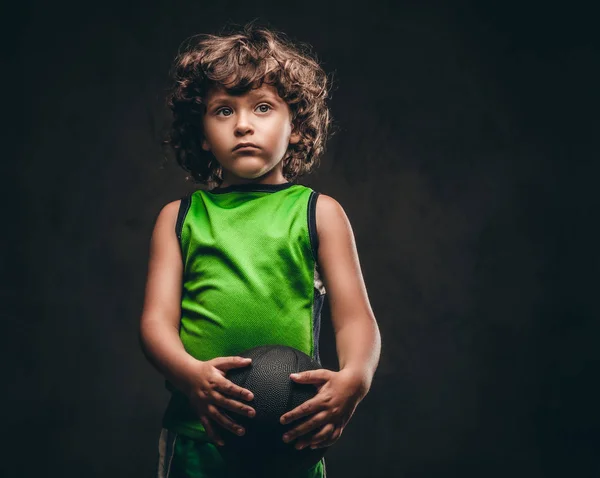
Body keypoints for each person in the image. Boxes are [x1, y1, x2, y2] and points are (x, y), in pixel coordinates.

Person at [139, 21, 381, 478]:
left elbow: (355, 320)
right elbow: (154, 323)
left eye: (263, 107)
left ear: (296, 126)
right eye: (224, 111)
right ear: (203, 132)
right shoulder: (179, 217)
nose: (244, 125)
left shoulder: (319, 213)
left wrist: (356, 379)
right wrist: (191, 376)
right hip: (199, 436)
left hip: (292, 438)